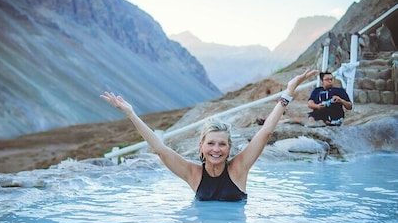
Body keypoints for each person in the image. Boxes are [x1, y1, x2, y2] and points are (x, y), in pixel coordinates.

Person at [100, 69, 318, 201]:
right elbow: (159, 148)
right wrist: (131, 113)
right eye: (211, 143)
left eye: (222, 144)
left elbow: (266, 131)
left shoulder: (239, 168)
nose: (216, 149)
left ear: (229, 148)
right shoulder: (192, 174)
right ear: (201, 146)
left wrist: (288, 93)